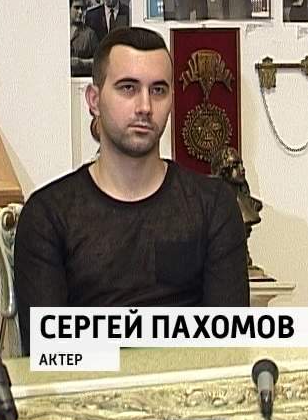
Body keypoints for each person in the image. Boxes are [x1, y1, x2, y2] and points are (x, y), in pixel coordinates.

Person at [15, 27, 249, 355]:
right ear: (94, 100)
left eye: (158, 90)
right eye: (128, 88)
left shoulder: (213, 206)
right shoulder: (48, 216)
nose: (145, 106)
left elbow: (229, 346)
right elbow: (51, 354)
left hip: (194, 384)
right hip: (88, 386)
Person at [210, 146, 263, 268]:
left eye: (241, 164)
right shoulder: (215, 208)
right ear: (224, 171)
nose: (242, 169)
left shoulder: (253, 204)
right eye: (235, 165)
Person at [69, 0, 99, 77]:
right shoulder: (58, 32)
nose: (80, 12)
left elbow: (100, 61)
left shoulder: (90, 34)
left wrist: (82, 63)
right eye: (76, 8)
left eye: (82, 8)